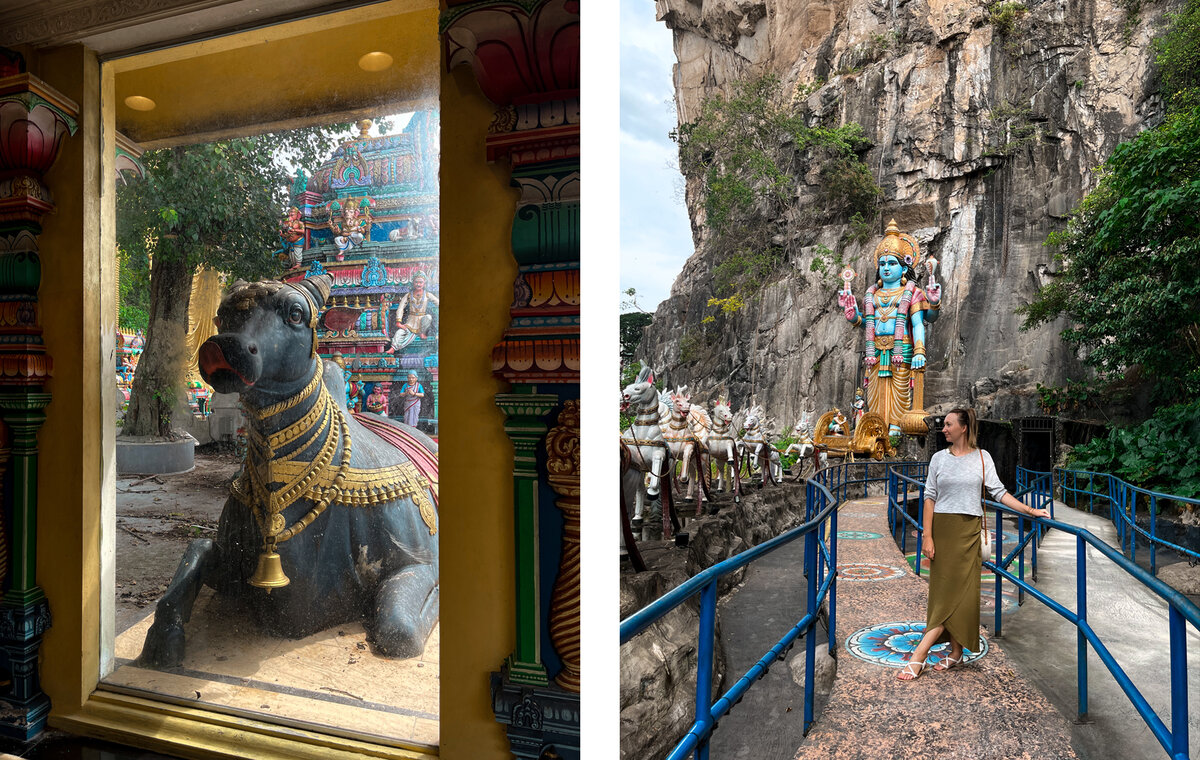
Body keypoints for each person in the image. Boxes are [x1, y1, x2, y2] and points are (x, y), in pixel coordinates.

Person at [897, 408, 1051, 680]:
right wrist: (927, 535)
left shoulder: (982, 457)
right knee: (944, 594)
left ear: (964, 428)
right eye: (943, 424)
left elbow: (999, 492)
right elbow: (929, 497)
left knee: (961, 594)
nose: (943, 429)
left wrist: (1029, 511)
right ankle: (950, 653)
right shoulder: (938, 459)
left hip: (968, 532)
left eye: (948, 424)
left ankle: (924, 654)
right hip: (943, 531)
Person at [838, 220, 942, 436]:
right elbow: (868, 323)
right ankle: (876, 425)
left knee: (899, 389)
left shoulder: (912, 293)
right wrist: (854, 318)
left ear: (904, 267)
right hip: (874, 350)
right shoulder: (872, 295)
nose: (886, 268)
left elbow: (919, 322)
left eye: (891, 264)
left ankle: (896, 426)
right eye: (882, 264)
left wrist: (919, 351)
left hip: (901, 348)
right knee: (874, 390)